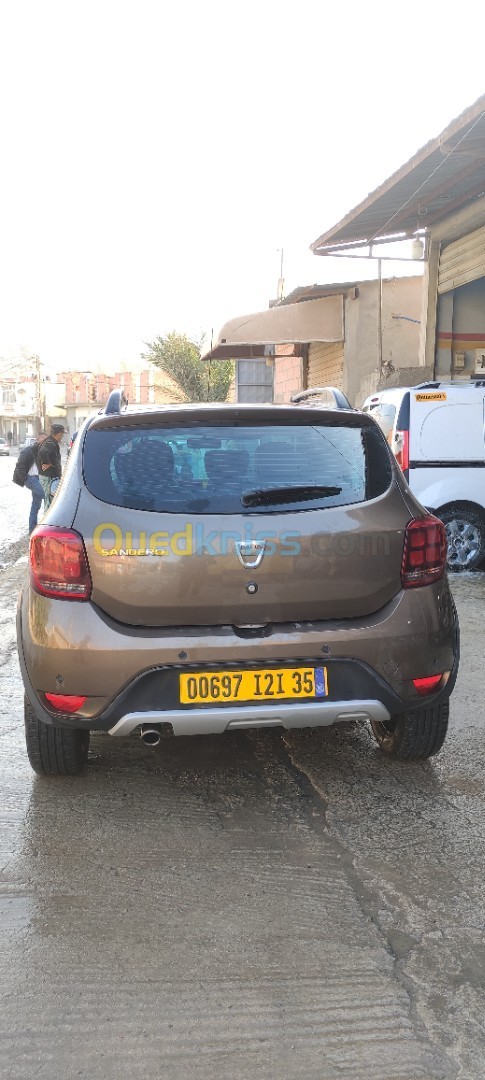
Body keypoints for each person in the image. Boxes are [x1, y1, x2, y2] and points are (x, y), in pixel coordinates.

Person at [12, 432, 48, 534]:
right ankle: (49, 527)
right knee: (48, 497)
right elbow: (20, 465)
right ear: (38, 439)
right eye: (43, 440)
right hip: (31, 478)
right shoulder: (29, 450)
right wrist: (25, 479)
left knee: (36, 505)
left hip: (40, 479)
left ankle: (32, 529)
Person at [36, 423, 66, 510]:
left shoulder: (51, 442)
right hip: (48, 478)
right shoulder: (50, 443)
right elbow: (42, 452)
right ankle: (48, 518)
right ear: (59, 434)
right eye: (62, 434)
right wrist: (48, 463)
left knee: (51, 502)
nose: (62, 437)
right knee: (49, 503)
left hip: (49, 477)